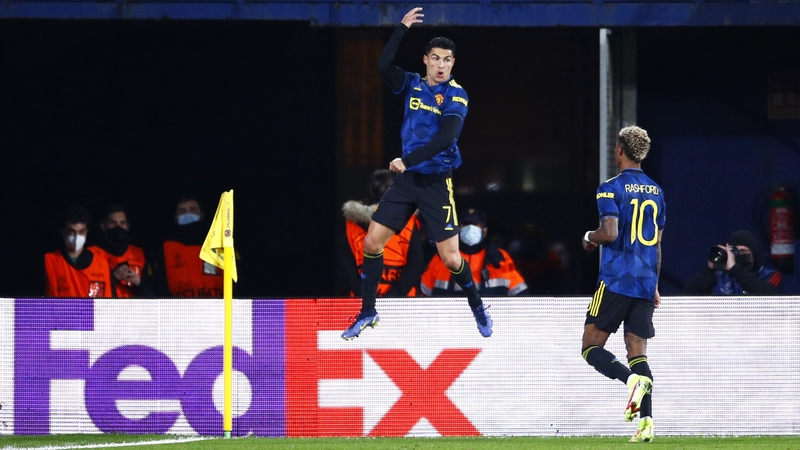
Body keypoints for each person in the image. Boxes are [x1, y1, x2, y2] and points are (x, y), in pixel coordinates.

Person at [341, 7, 492, 340]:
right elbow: (382, 66)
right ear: (425, 60)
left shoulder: (456, 95)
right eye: (435, 58)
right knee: (372, 242)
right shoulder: (411, 84)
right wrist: (401, 29)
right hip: (407, 182)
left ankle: (477, 304)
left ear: (453, 64)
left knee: (452, 259)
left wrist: (407, 160)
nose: (441, 65)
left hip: (436, 183)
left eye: (447, 60)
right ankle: (368, 312)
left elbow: (445, 139)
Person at [580, 126, 665, 443]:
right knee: (637, 352)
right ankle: (646, 424)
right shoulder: (657, 191)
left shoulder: (610, 188)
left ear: (619, 151)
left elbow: (610, 233)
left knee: (591, 347)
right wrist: (654, 284)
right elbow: (656, 243)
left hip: (617, 279)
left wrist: (589, 238)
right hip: (645, 282)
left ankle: (631, 381)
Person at [340, 169, 425, 297]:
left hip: (362, 301)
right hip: (404, 304)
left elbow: (346, 265)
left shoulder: (350, 224)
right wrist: (394, 295)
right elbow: (415, 264)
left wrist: (364, 293)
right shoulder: (408, 221)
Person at [421, 207, 529, 297]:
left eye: (475, 224)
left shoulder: (499, 258)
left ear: (485, 231)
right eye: (466, 224)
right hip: (451, 320)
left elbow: (521, 294)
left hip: (490, 319)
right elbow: (422, 294)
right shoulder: (443, 256)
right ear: (458, 228)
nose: (470, 228)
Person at [155, 195, 223, 298]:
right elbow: (159, 286)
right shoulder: (166, 249)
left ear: (201, 215)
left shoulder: (219, 244)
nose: (187, 214)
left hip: (216, 310)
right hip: (180, 311)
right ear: (176, 218)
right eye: (182, 211)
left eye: (193, 209)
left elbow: (236, 282)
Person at [684, 229, 782, 295]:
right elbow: (688, 297)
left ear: (753, 254)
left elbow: (770, 295)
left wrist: (735, 269)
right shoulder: (719, 277)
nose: (739, 255)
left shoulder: (770, 275)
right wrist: (709, 269)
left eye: (743, 251)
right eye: (735, 251)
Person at [44, 205, 113, 298]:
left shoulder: (102, 262)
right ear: (63, 233)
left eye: (81, 231)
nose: (77, 236)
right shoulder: (49, 261)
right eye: (72, 232)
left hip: (91, 312)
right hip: (58, 312)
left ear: (87, 232)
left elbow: (108, 301)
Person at [90, 203, 153, 297]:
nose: (118, 227)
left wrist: (138, 282)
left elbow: (152, 293)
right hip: (104, 309)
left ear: (127, 226)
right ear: (103, 226)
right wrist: (112, 278)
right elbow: (89, 291)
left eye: (122, 223)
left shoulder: (139, 254)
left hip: (134, 309)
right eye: (113, 223)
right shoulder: (92, 254)